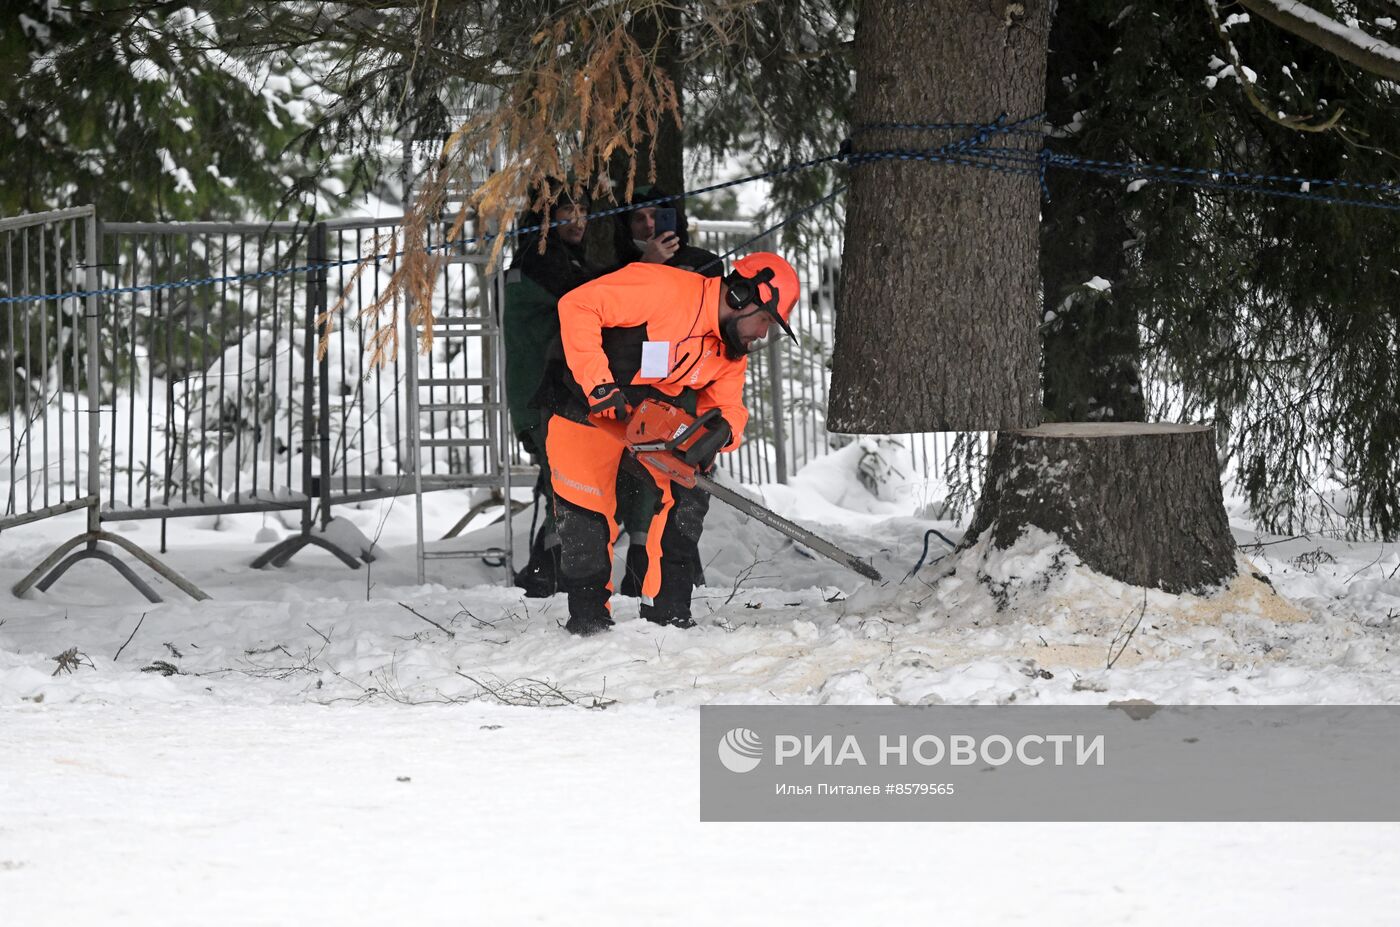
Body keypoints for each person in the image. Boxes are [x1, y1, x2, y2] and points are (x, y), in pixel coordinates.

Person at [545, 251, 801, 636]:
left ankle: (668, 611)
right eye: (764, 319)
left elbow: (729, 406)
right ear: (741, 295)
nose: (763, 333)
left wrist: (722, 433)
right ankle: (588, 617)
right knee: (585, 511)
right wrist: (599, 383)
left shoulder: (731, 351)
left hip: (649, 414)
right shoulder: (663, 288)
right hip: (587, 405)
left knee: (689, 487)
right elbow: (577, 304)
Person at [608, 185, 726, 596]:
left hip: (689, 386)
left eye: (658, 217)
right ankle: (640, 565)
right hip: (639, 385)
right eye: (639, 219)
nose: (650, 225)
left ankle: (680, 571)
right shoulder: (621, 266)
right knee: (640, 474)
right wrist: (647, 267)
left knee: (685, 477)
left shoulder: (705, 265)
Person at [503, 182, 605, 596]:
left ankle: (546, 572)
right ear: (544, 216)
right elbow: (591, 297)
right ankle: (547, 574)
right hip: (541, 398)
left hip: (537, 397)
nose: (578, 219)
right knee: (565, 484)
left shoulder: (548, 259)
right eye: (568, 210)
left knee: (558, 483)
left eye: (583, 210)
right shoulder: (541, 259)